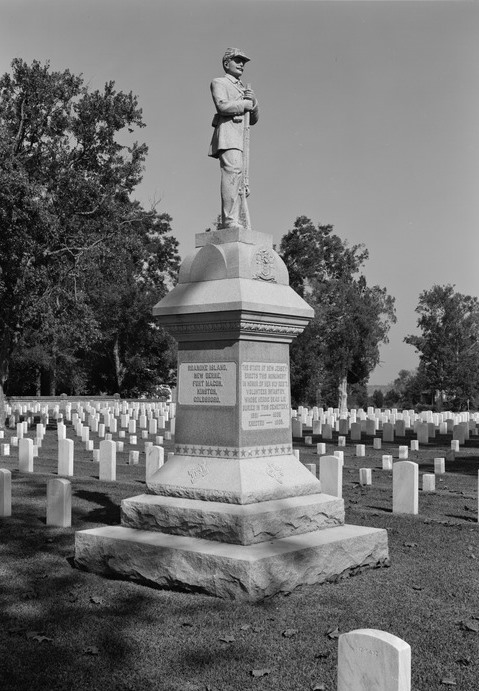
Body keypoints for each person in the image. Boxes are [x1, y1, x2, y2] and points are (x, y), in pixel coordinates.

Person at [208, 48, 259, 230]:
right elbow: (222, 106)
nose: (241, 64)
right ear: (226, 63)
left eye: (243, 62)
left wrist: (253, 103)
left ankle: (238, 218)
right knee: (232, 173)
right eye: (237, 60)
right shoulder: (219, 82)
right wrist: (244, 104)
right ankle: (230, 220)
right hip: (228, 135)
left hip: (241, 138)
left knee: (240, 179)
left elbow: (253, 119)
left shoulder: (244, 88)